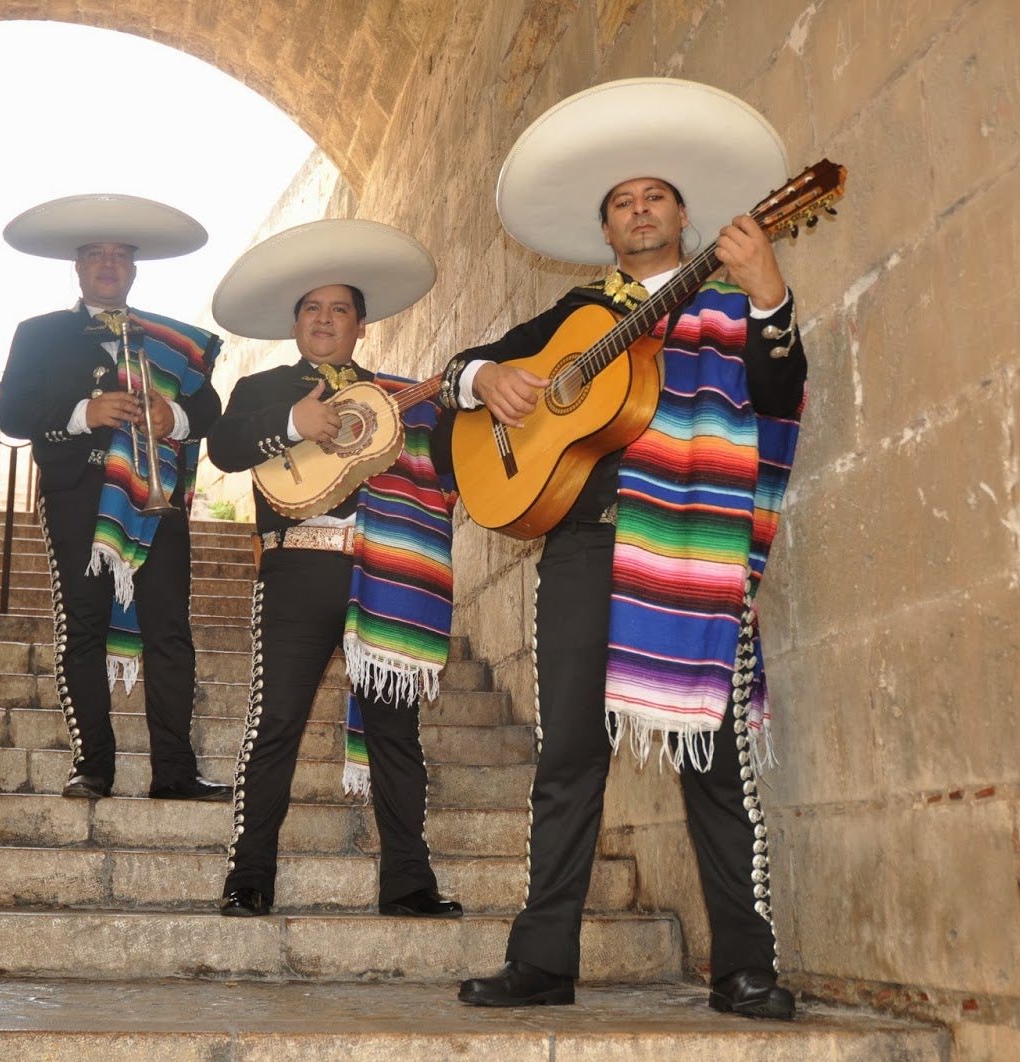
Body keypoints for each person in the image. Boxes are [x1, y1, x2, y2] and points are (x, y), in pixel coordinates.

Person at [445, 80, 807, 1020]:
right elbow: (456, 376)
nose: (639, 210)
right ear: (607, 229)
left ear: (686, 215)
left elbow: (778, 394)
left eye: (654, 196)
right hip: (578, 550)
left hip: (688, 554)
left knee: (710, 753)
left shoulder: (729, 302)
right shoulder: (573, 314)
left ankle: (745, 966)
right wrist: (493, 380)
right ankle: (542, 962)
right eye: (622, 203)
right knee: (565, 756)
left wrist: (771, 296)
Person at [204, 219, 463, 920]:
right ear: (296, 325)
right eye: (312, 310)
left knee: (395, 731)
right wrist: (294, 422)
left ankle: (409, 885)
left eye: (338, 310)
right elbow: (225, 448)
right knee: (276, 721)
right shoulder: (262, 388)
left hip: (386, 574)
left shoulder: (401, 396)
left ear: (360, 325)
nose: (325, 320)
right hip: (298, 572)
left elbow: (450, 472)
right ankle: (248, 877)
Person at [0, 193, 232, 803]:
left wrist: (171, 414)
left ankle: (175, 772)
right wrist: (84, 412)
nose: (108, 264)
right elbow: (14, 414)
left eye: (119, 255)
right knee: (82, 629)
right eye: (96, 255)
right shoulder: (38, 333)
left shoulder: (171, 341)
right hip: (78, 496)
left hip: (156, 503)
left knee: (170, 632)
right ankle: (92, 767)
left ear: (134, 267)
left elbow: (210, 410)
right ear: (77, 266)